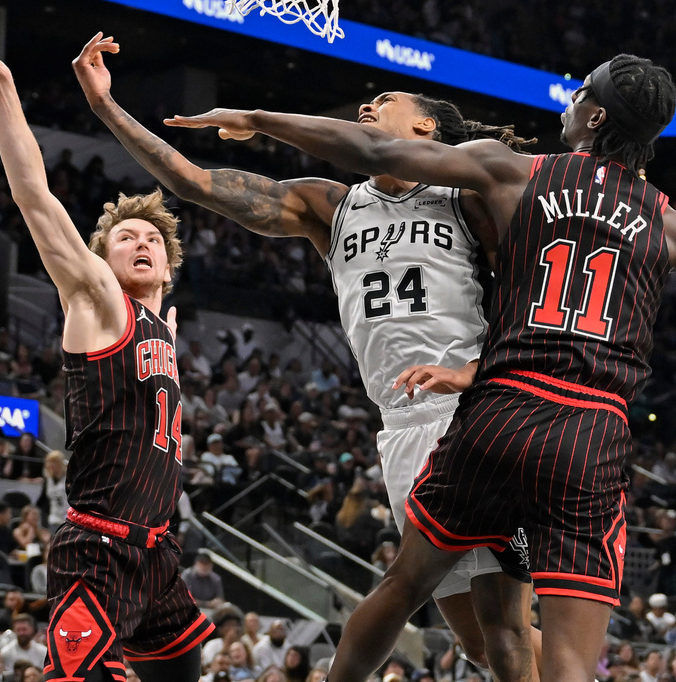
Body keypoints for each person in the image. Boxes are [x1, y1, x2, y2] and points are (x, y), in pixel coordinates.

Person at [167, 53, 676, 682]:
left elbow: (374, 153)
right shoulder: (673, 225)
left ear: (596, 116)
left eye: (580, 93)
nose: (568, 100)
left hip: (501, 408)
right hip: (590, 430)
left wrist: (257, 118)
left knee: (405, 586)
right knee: (559, 656)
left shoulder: (516, 170)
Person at [72, 32, 540, 680]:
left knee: (488, 622)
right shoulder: (332, 205)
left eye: (384, 99)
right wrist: (106, 108)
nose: (368, 110)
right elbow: (195, 181)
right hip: (402, 424)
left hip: (474, 412)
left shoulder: (465, 198)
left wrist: (477, 371)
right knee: (482, 642)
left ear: (426, 125)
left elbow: (536, 300)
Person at [0, 22, 214, 682]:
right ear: (98, 261)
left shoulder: (162, 329)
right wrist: (1, 84)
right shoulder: (98, 300)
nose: (139, 243)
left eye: (152, 240)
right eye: (123, 238)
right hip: (100, 549)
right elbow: (34, 196)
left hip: (160, 556)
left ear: (169, 264)